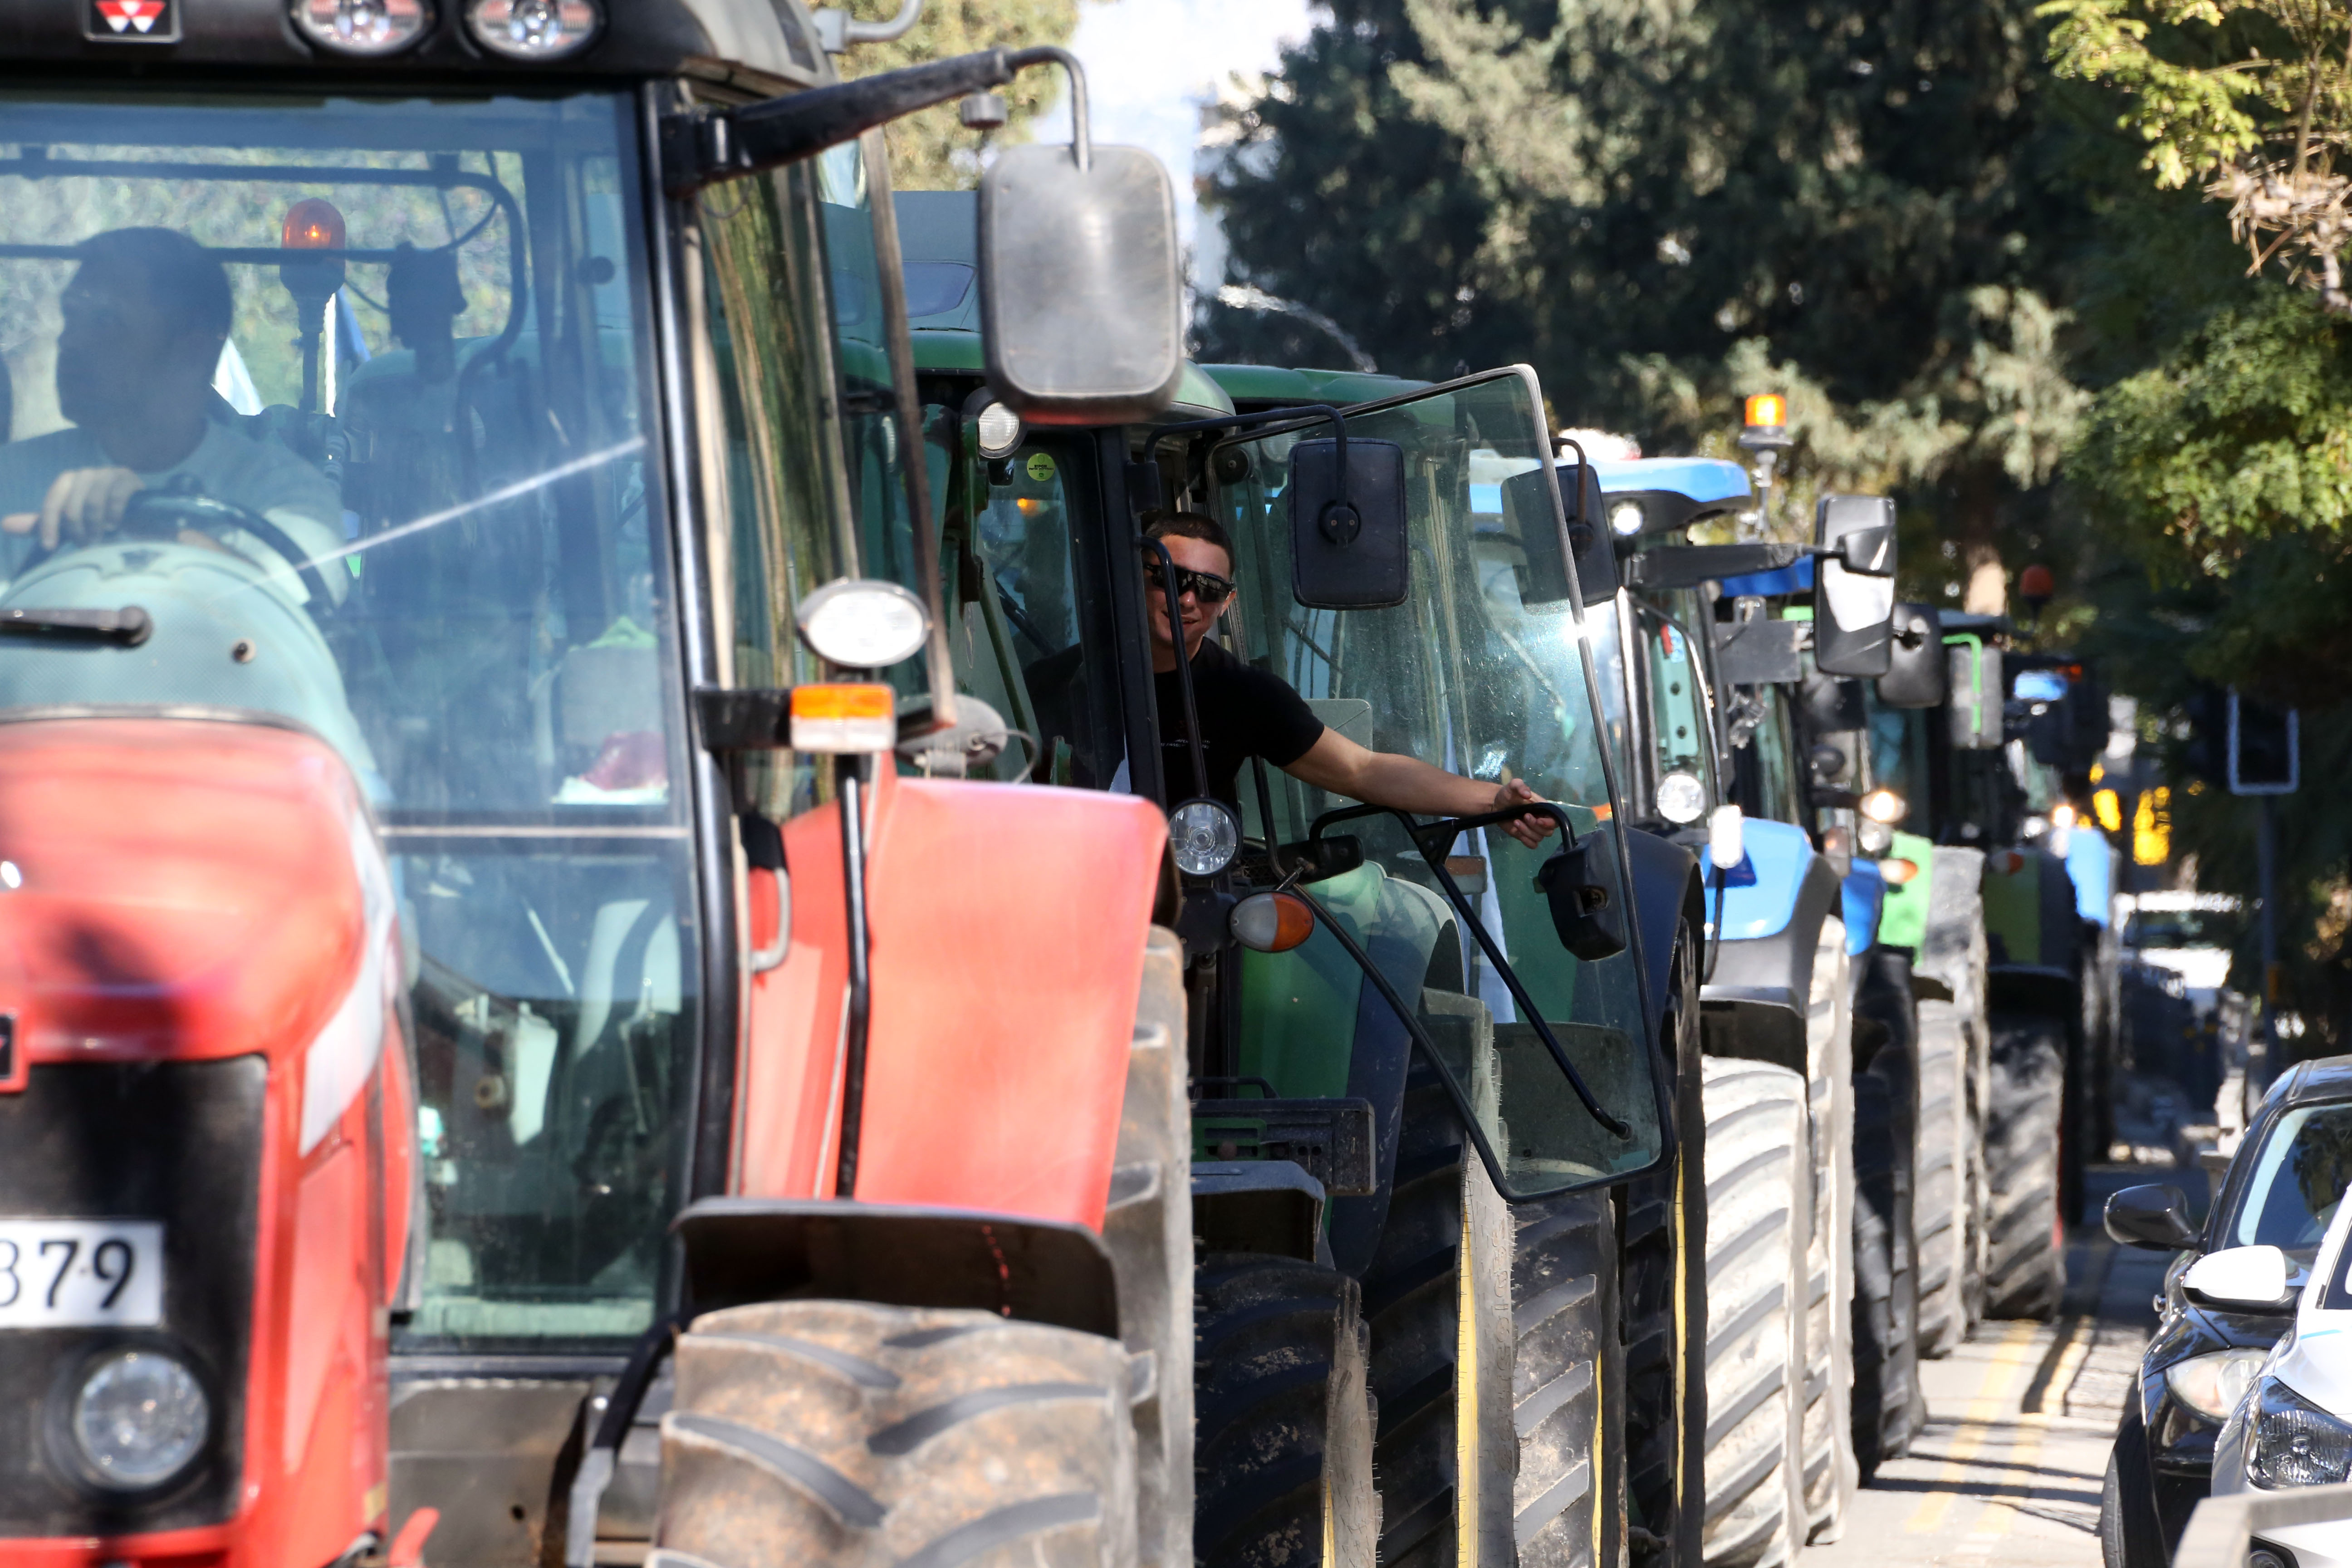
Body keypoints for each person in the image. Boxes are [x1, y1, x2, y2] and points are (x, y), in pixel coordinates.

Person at [1142, 512, 1558, 849]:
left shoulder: (1242, 693)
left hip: (1179, 897)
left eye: (1209, 588)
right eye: (1172, 579)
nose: (1189, 600)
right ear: (1137, 575)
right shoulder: (1080, 679)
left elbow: (1363, 770)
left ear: (1228, 601)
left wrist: (1494, 803)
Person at [0, 227, 344, 605]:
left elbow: (299, 629)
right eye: (72, 317)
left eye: (105, 321)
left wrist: (157, 534)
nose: (70, 341)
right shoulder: (11, 480)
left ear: (193, 351)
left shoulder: (287, 494)